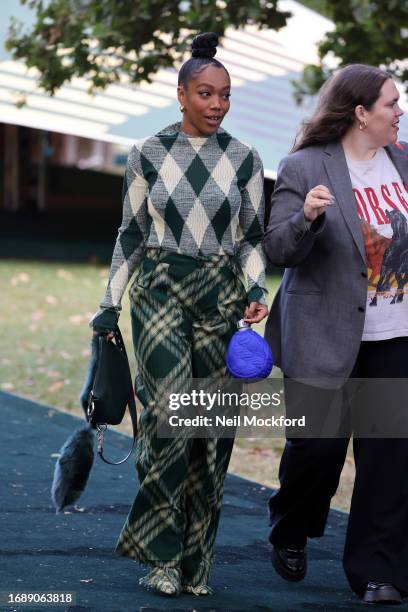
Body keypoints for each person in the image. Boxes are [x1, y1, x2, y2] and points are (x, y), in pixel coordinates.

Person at [90, 32, 268, 597]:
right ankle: (162, 555)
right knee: (170, 417)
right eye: (206, 93)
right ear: (182, 94)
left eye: (225, 95)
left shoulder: (245, 159)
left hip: (222, 294)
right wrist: (108, 304)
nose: (217, 105)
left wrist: (257, 286)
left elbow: (253, 239)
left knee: (209, 432)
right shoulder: (148, 152)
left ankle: (197, 561)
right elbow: (131, 234)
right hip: (160, 287)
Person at [263, 63, 407, 604]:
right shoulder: (304, 166)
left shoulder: (403, 162)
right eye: (391, 104)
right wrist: (306, 217)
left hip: (395, 333)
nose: (399, 112)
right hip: (322, 331)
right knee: (316, 449)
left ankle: (380, 572)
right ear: (361, 113)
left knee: (390, 459)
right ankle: (291, 526)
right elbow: (279, 247)